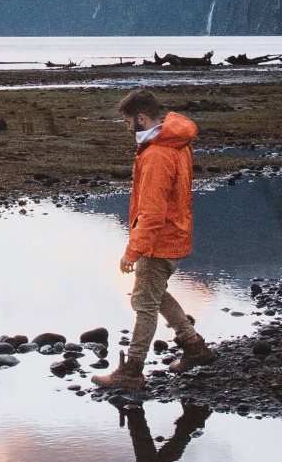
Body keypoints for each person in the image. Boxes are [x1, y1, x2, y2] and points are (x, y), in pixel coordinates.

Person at [92, 88, 214, 391]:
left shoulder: (157, 154)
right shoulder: (174, 141)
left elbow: (152, 213)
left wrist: (132, 252)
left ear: (142, 118)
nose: (127, 128)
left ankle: (131, 371)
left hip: (160, 240)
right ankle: (195, 348)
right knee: (155, 294)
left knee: (144, 302)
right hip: (175, 234)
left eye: (128, 122)